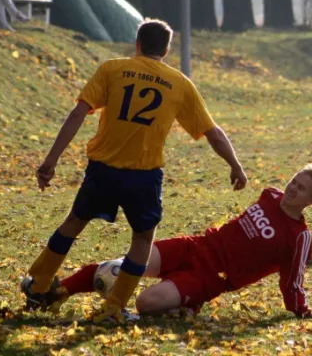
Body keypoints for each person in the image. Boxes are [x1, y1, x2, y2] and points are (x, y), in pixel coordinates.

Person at [21, 19, 247, 323]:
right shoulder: (179, 83)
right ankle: (113, 307)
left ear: (137, 43)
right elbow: (214, 133)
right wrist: (235, 166)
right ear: (166, 50)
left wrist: (50, 160)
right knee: (142, 240)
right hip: (143, 176)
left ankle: (39, 285)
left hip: (102, 170)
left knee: (74, 222)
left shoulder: (112, 69)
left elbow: (78, 113)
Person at [30, 165, 312, 321]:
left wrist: (301, 310)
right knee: (118, 267)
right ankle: (55, 294)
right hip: (194, 246)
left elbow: (292, 280)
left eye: (301, 188)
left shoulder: (299, 237)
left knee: (144, 303)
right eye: (293, 181)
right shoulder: (270, 195)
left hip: (210, 277)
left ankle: (188, 303)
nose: (292, 188)